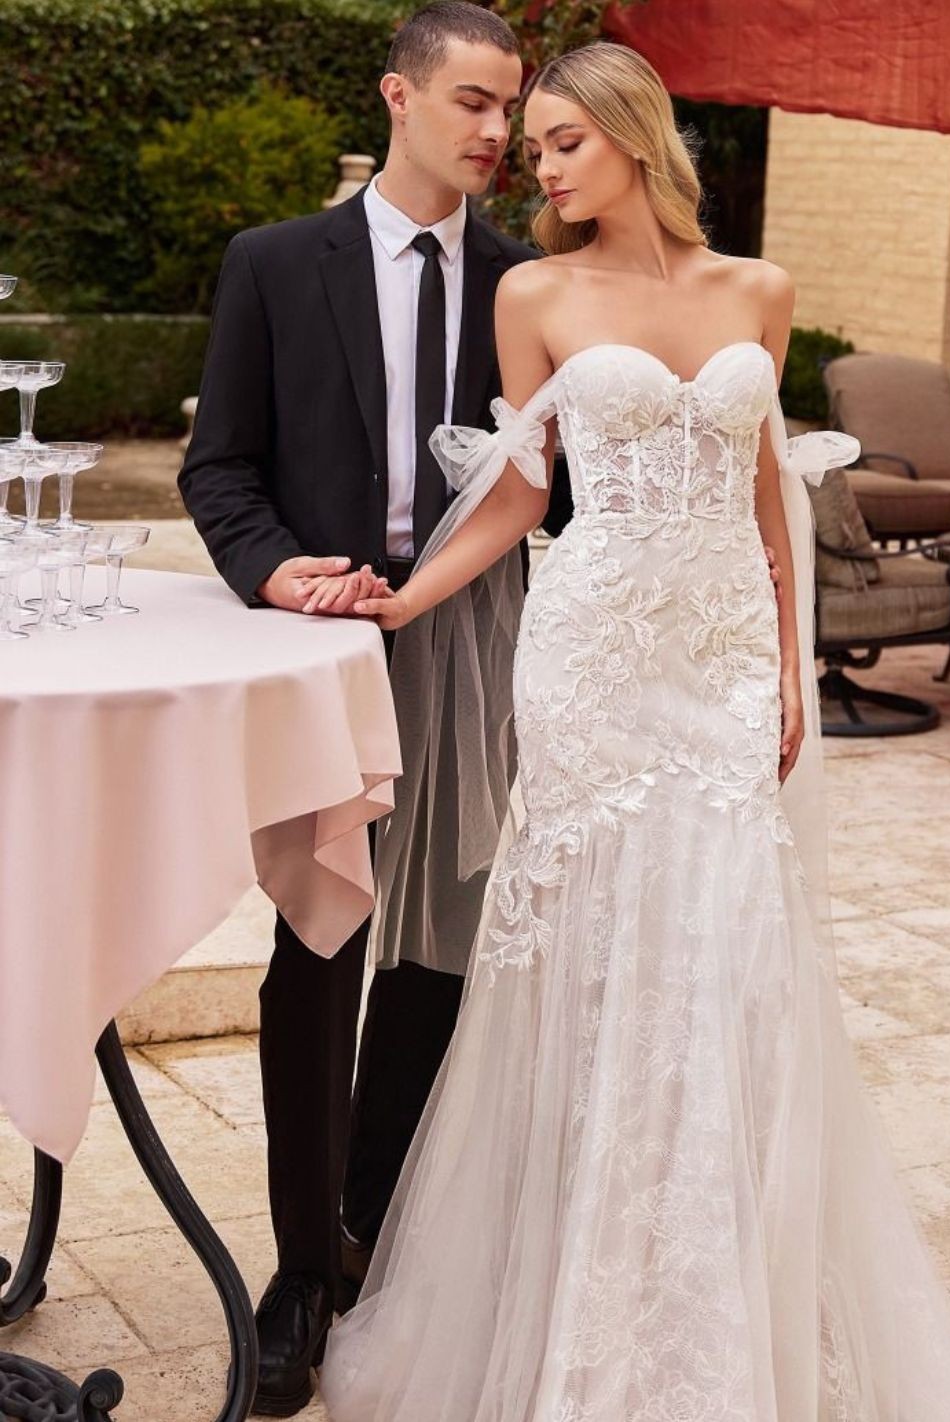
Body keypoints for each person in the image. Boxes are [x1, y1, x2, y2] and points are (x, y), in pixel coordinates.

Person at [320, 40, 950, 1422]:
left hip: (724, 656)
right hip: (592, 657)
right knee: (599, 942)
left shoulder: (759, 289)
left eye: (564, 141)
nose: (541, 168)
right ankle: (585, 1284)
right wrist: (402, 598)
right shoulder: (534, 293)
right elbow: (521, 498)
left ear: (634, 135)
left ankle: (714, 1275)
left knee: (728, 940)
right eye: (534, 147)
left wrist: (791, 667)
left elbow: (763, 489)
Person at [178, 4, 574, 1413]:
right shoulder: (275, 263)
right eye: (472, 102)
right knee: (321, 938)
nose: (496, 133)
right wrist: (275, 566)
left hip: (475, 650)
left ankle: (376, 1229)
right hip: (323, 651)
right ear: (398, 97)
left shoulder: (530, 283)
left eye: (509, 109)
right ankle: (299, 1270)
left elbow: (558, 493)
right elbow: (220, 468)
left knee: (440, 951)